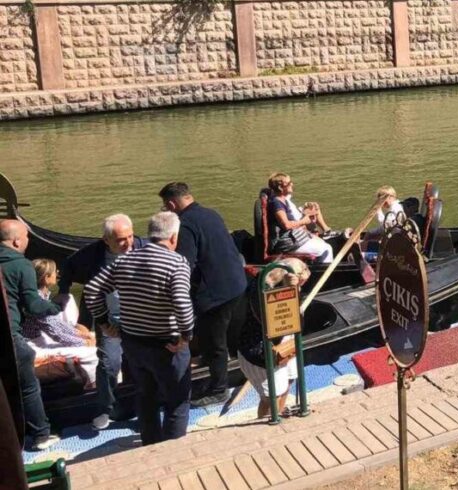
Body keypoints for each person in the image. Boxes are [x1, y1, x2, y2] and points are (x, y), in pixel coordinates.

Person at [84, 212, 194, 446]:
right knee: (177, 401)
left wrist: (105, 323)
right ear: (173, 237)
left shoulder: (123, 261)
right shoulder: (176, 263)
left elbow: (92, 291)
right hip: (168, 346)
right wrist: (186, 337)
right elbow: (183, 306)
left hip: (133, 344)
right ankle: (175, 452)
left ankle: (151, 446)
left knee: (146, 397)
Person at [159, 182, 247, 407]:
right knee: (220, 334)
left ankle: (219, 390)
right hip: (236, 283)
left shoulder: (185, 224)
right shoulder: (211, 213)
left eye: (165, 207)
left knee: (214, 340)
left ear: (171, 204)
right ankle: (215, 361)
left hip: (215, 293)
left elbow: (184, 264)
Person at [58, 213, 146, 430]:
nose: (128, 243)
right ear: (106, 240)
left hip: (140, 317)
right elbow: (68, 266)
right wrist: (62, 291)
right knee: (109, 364)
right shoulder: (92, 254)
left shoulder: (144, 247)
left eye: (130, 236)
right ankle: (105, 407)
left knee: (140, 363)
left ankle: (139, 406)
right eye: (120, 240)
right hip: (109, 320)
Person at [0, 219, 61, 451]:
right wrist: (56, 307)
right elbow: (33, 306)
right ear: (16, 241)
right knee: (28, 386)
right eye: (27, 237)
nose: (28, 241)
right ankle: (41, 435)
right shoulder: (20, 264)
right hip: (10, 337)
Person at [236, 258, 310, 419]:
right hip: (260, 350)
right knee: (271, 398)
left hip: (285, 344)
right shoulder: (260, 289)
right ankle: (269, 423)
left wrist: (295, 290)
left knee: (287, 384)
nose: (302, 280)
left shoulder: (285, 284)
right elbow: (272, 321)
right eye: (300, 276)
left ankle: (280, 414)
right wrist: (288, 289)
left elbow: (296, 319)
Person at [23, 259, 98, 389]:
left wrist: (81, 334)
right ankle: (91, 386)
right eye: (54, 271)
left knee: (66, 300)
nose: (57, 273)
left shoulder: (41, 295)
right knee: (93, 352)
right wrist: (83, 342)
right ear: (46, 278)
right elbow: (56, 333)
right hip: (34, 346)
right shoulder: (36, 301)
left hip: (41, 338)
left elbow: (57, 325)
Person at [265, 173, 335, 263]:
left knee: (323, 243)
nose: (292, 184)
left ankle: (317, 266)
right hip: (288, 243)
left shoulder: (282, 200)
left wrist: (305, 214)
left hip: (293, 237)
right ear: (280, 188)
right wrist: (304, 221)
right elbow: (286, 225)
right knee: (326, 249)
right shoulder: (276, 203)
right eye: (289, 183)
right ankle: (324, 273)